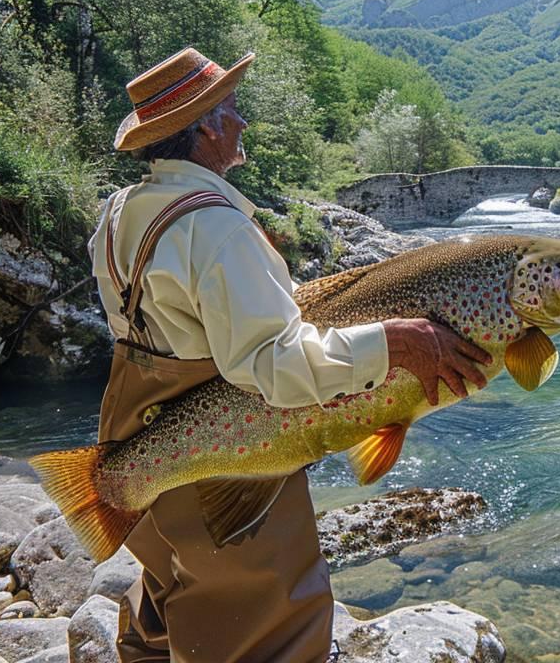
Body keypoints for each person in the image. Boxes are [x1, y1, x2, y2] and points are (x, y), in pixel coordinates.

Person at [89, 47, 490, 662]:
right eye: (233, 109)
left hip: (137, 425)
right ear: (206, 130)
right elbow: (271, 368)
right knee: (270, 619)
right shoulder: (216, 228)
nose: (244, 122)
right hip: (220, 443)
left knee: (168, 590)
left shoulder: (121, 212)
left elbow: (160, 327)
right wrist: (395, 342)